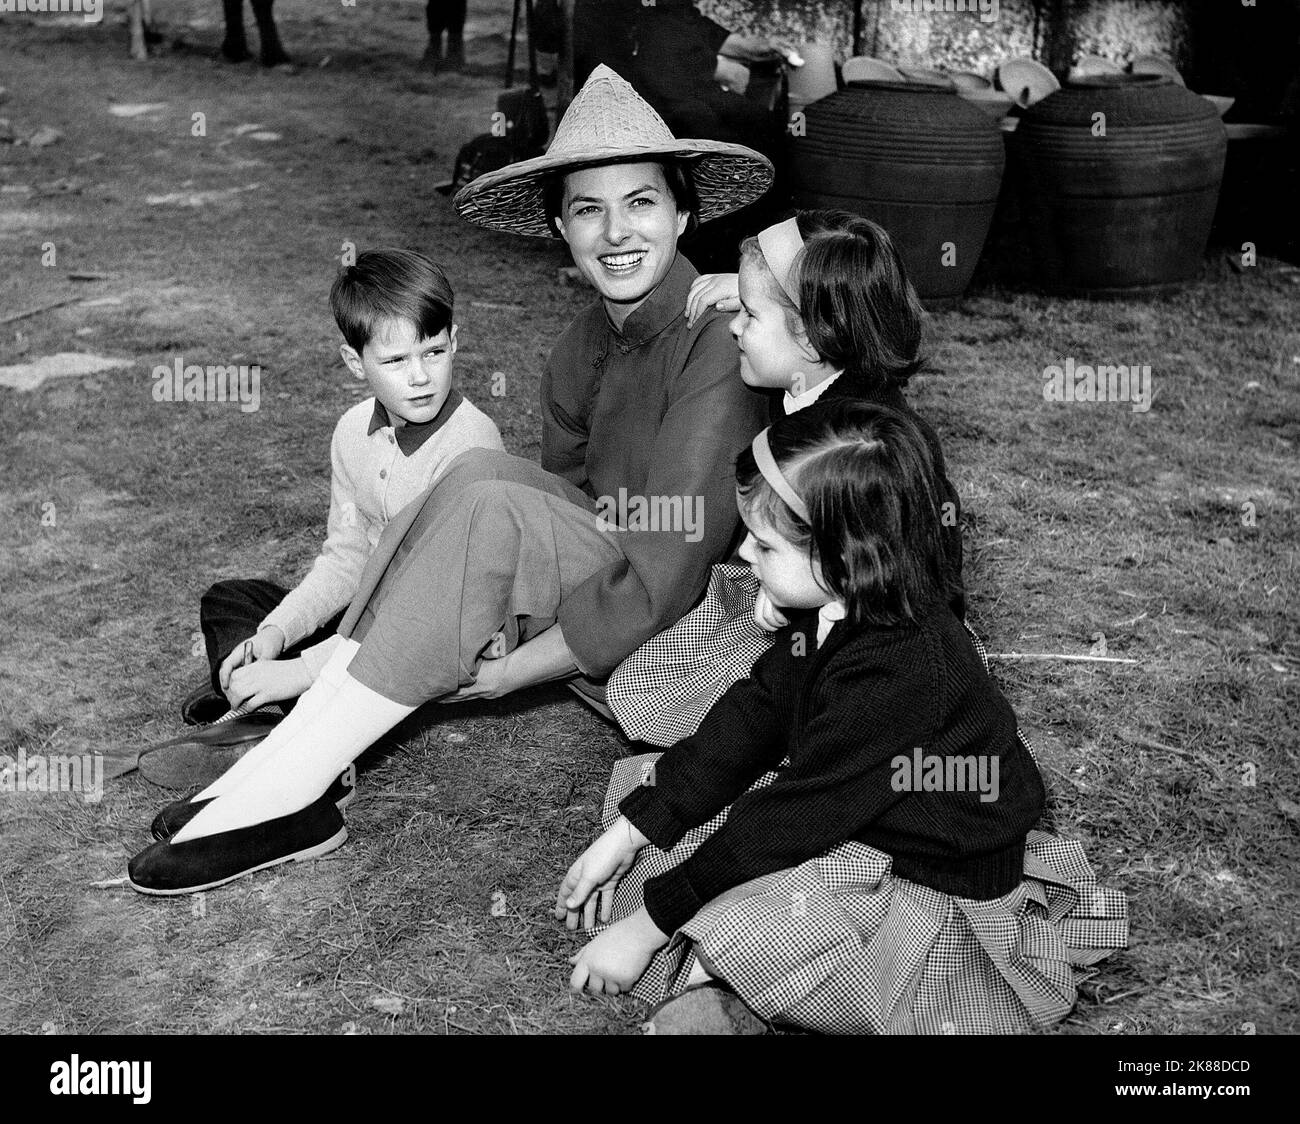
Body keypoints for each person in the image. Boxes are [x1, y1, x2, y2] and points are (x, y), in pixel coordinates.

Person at [127, 65, 774, 895]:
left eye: (641, 202)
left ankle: (289, 782)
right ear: (560, 230)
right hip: (606, 574)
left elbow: (665, 568)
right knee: (473, 472)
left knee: (487, 493)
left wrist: (509, 670)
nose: (616, 231)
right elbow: (566, 506)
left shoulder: (720, 337)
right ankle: (281, 775)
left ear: (684, 212)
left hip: (688, 611)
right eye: (587, 208)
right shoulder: (579, 346)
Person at [556, 401, 1128, 1034]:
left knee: (748, 908)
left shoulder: (904, 669)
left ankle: (734, 993)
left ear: (841, 558)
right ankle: (729, 974)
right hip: (853, 813)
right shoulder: (831, 610)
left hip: (921, 880)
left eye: (765, 545)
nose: (744, 551)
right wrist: (633, 830)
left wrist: (646, 927)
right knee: (665, 800)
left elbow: (788, 819)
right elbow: (748, 721)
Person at [608, 210, 964, 747]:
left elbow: (883, 593)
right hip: (805, 590)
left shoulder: (849, 448)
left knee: (654, 703)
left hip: (860, 636)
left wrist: (786, 608)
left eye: (750, 315)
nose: (734, 326)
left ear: (813, 333)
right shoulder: (823, 373)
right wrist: (754, 289)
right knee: (634, 687)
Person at [180, 248, 503, 728]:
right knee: (232, 599)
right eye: (394, 360)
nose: (419, 377)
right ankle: (260, 692)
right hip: (365, 616)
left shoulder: (472, 446)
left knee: (366, 661)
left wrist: (302, 669)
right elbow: (347, 558)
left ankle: (273, 707)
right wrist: (274, 635)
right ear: (355, 363)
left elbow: (430, 608)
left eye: (433, 352)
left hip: (432, 630)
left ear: (453, 342)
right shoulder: (353, 430)